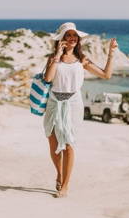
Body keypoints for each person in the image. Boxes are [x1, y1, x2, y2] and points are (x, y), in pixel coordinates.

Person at [43, 22, 118, 198]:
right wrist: (58, 55)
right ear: (61, 39)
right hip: (54, 102)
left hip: (73, 104)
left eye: (74, 36)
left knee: (69, 144)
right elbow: (48, 78)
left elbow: (106, 75)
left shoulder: (82, 60)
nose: (71, 39)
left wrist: (111, 54)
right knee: (53, 144)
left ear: (78, 39)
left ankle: (66, 186)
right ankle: (60, 174)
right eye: (68, 35)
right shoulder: (53, 58)